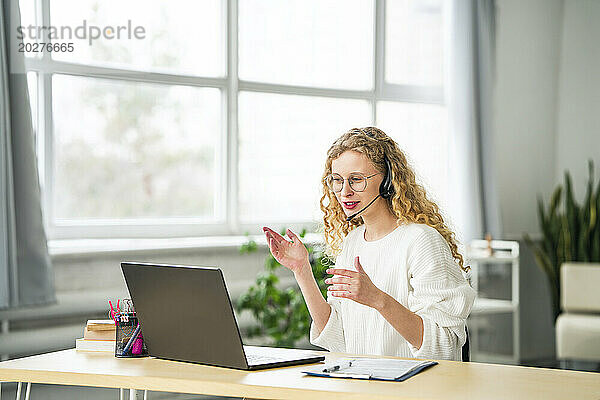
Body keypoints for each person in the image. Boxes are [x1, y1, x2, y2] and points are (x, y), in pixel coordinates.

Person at [262, 127, 476, 361]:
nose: (344, 192)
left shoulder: (421, 241)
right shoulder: (352, 242)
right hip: (363, 384)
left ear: (387, 181)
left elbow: (443, 346)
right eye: (337, 180)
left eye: (356, 180)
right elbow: (338, 339)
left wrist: (377, 299)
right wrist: (301, 270)